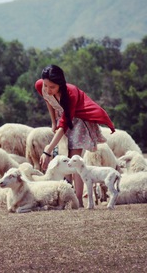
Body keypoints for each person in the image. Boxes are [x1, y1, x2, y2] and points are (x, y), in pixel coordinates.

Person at [35, 64, 115, 207]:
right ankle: (67, 196)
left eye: (52, 87)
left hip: (78, 121)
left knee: (74, 159)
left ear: (60, 84)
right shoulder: (42, 86)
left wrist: (47, 150)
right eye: (46, 86)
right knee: (65, 157)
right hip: (63, 118)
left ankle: (78, 201)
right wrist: (53, 122)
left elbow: (65, 124)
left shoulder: (70, 94)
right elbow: (48, 100)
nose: (47, 89)